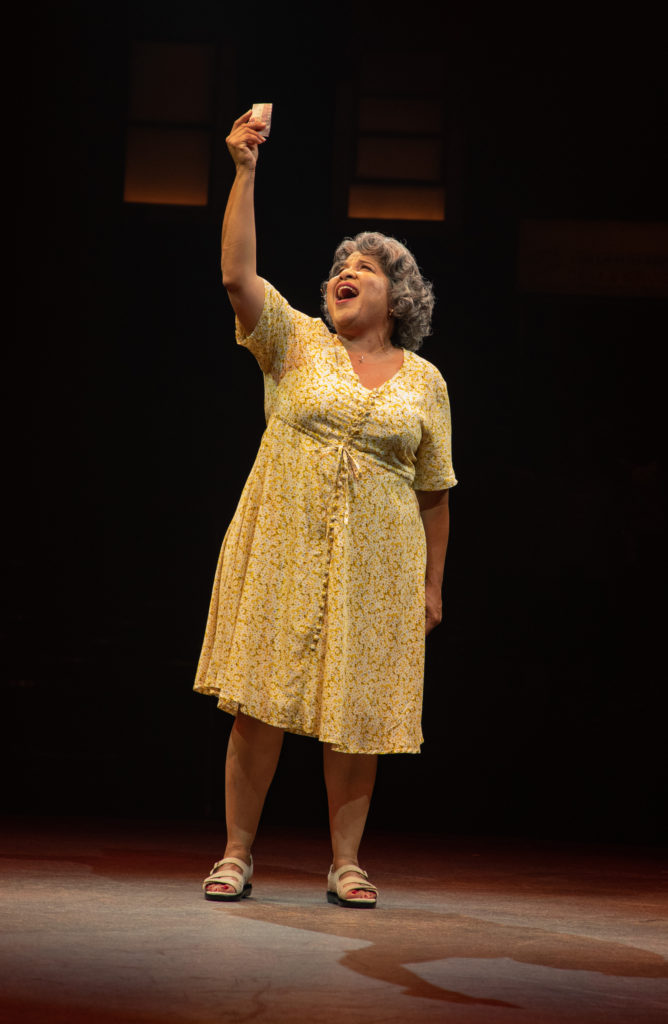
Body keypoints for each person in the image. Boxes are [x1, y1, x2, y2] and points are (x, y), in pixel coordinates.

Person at [194, 110, 457, 908]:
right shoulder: (299, 342)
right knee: (258, 702)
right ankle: (237, 853)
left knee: (357, 714)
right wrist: (243, 171)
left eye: (366, 267)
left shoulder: (426, 381)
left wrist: (432, 586)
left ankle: (347, 862)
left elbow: (435, 491)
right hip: (283, 541)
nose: (347, 269)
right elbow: (239, 277)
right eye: (341, 263)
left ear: (397, 296)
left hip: (380, 559)